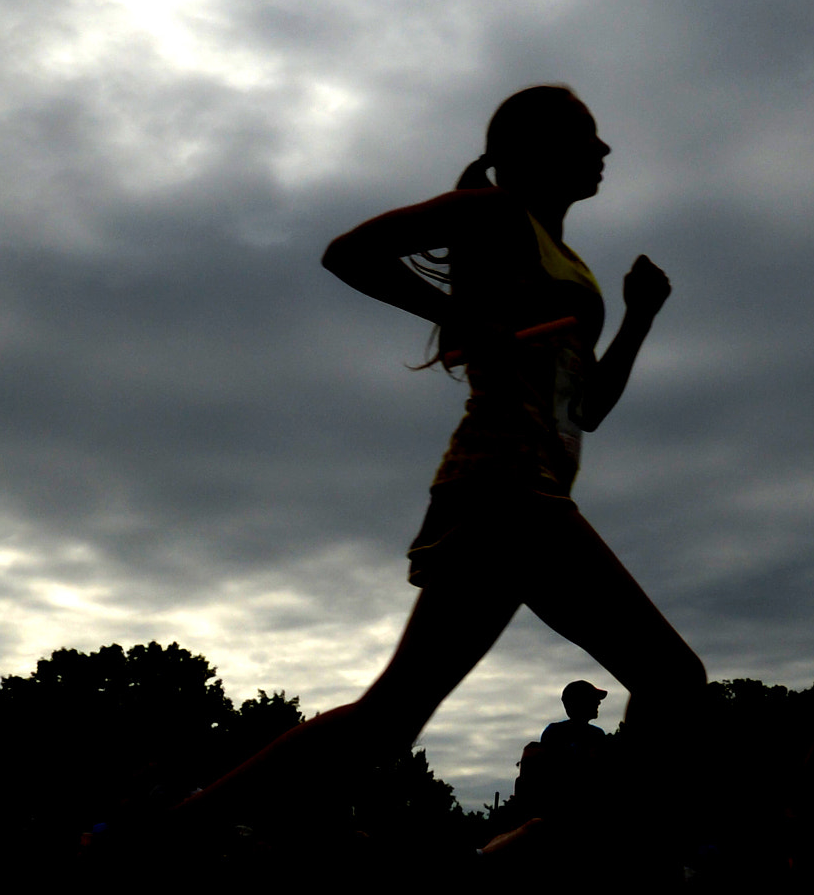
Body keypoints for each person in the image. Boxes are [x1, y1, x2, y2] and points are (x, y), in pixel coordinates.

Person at [181, 83, 708, 832]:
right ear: (531, 152)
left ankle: (146, 843)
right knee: (671, 679)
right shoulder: (495, 214)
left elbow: (587, 407)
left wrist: (638, 318)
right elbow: (349, 253)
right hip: (506, 486)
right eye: (585, 136)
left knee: (389, 720)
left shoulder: (569, 260)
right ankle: (547, 864)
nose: (603, 150)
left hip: (519, 492)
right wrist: (458, 314)